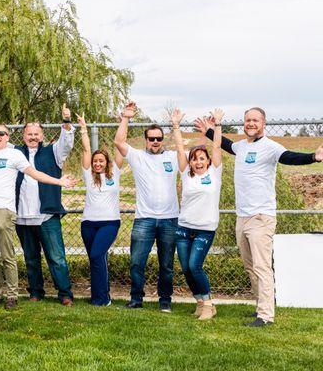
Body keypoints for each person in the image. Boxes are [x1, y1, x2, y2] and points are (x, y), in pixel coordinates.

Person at [196, 107, 323, 326]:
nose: (250, 123)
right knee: (249, 266)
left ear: (263, 123)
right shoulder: (241, 146)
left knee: (262, 267)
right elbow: (225, 144)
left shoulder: (271, 147)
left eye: (255, 120)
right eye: (247, 120)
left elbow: (289, 157)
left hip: (261, 217)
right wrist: (210, 130)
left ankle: (266, 315)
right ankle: (260, 307)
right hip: (242, 217)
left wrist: (313, 157)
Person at [0, 101, 76, 309]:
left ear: (42, 136)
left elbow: (65, 143)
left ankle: (65, 293)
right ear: (22, 136)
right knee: (30, 258)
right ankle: (35, 292)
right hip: (21, 216)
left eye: (36, 134)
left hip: (46, 215)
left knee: (56, 258)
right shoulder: (16, 151)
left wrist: (66, 121)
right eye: (29, 134)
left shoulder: (52, 152)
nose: (33, 137)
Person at [114, 102, 179, 312]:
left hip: (170, 219)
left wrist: (176, 127)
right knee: (137, 262)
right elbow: (119, 141)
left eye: (159, 138)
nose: (155, 141)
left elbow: (183, 151)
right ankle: (136, 298)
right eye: (151, 138)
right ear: (146, 140)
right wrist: (126, 117)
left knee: (167, 265)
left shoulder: (172, 158)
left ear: (162, 139)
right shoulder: (138, 157)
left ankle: (165, 300)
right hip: (144, 219)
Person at [170, 108, 224, 320]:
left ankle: (209, 304)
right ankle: (200, 302)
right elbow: (179, 148)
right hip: (184, 227)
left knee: (195, 265)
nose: (198, 162)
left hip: (205, 229)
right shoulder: (186, 174)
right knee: (186, 268)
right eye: (195, 159)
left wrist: (217, 125)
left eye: (202, 158)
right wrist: (176, 126)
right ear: (190, 162)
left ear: (208, 161)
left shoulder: (214, 173)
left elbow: (217, 145)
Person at [77, 114, 124, 306]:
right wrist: (83, 128)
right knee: (96, 259)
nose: (97, 163)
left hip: (109, 223)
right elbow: (87, 148)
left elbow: (120, 146)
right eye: (95, 161)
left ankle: (100, 299)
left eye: (101, 161)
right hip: (88, 224)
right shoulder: (88, 175)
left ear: (107, 162)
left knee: (97, 255)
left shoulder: (116, 174)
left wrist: (124, 121)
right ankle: (102, 296)